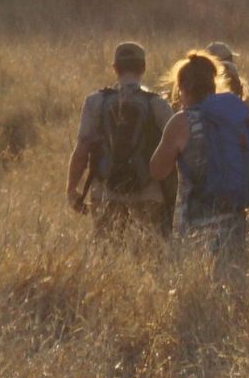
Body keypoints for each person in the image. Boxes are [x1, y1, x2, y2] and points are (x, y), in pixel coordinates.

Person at [149, 48, 249, 259]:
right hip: (248, 229)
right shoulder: (243, 119)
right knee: (245, 290)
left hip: (198, 235)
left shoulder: (181, 122)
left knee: (200, 292)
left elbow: (157, 171)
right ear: (214, 85)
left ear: (183, 87)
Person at [68, 41, 172, 238]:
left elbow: (82, 148)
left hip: (105, 193)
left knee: (107, 252)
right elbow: (174, 148)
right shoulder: (157, 104)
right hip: (149, 193)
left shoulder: (95, 101)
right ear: (143, 67)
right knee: (149, 255)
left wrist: (72, 189)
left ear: (115, 68)